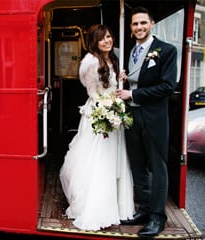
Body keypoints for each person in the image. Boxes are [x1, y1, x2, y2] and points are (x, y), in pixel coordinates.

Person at [59, 24, 134, 231]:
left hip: (113, 111)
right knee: (98, 159)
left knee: (112, 158)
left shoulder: (112, 58)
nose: (107, 41)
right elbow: (92, 92)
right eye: (102, 38)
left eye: (109, 36)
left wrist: (119, 81)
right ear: (94, 41)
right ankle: (96, 207)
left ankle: (115, 205)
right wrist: (106, 109)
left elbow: (109, 85)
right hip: (99, 113)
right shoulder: (90, 61)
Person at [116, 6, 177, 237]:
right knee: (138, 165)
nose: (139, 27)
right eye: (135, 24)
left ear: (152, 24)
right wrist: (127, 80)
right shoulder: (131, 52)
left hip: (154, 119)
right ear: (130, 28)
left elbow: (167, 86)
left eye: (143, 23)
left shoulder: (166, 50)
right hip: (132, 117)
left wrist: (133, 94)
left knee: (158, 168)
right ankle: (143, 208)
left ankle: (157, 218)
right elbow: (137, 79)